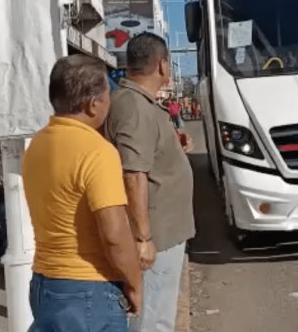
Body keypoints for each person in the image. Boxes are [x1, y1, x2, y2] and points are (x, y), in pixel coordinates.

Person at [23, 54, 142, 331]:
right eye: (108, 95)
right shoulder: (97, 152)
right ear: (93, 104)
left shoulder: (37, 144)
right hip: (88, 289)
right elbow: (114, 235)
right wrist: (134, 282)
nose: (110, 103)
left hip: (44, 282)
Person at [105, 33, 195, 332]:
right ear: (162, 65)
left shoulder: (139, 104)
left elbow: (144, 159)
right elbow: (133, 174)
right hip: (155, 235)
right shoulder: (134, 106)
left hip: (163, 232)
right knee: (153, 320)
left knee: (157, 315)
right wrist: (143, 239)